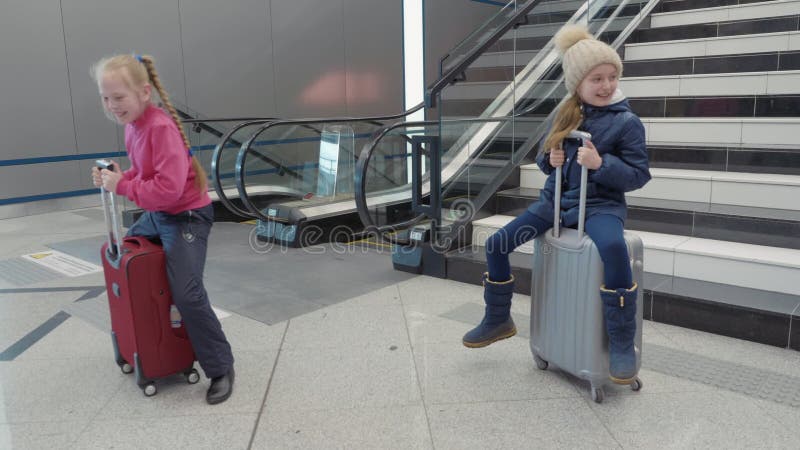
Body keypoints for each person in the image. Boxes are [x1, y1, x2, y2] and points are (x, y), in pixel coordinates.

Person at [462, 25, 651, 384]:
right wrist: (552, 158)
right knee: (496, 244)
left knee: (612, 246)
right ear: (577, 84)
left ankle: (622, 342)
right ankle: (498, 318)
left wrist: (601, 165)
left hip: (600, 206)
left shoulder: (627, 123)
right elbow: (544, 160)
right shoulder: (566, 113)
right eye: (597, 78)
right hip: (555, 203)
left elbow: (638, 174)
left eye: (612, 77)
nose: (606, 85)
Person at [91, 54, 235, 403]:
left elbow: (169, 189)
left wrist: (122, 186)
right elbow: (147, 175)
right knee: (126, 261)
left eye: (119, 97)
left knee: (187, 292)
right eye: (105, 98)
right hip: (160, 213)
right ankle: (157, 340)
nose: (112, 105)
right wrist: (120, 175)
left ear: (144, 93)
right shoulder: (133, 127)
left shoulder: (159, 127)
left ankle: (220, 366)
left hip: (186, 216)